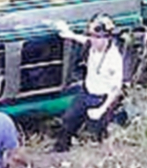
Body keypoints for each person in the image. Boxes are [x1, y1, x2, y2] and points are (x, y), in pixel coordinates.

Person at [51, 14, 124, 152]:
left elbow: (116, 89)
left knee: (96, 133)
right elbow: (83, 40)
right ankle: (61, 148)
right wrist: (69, 34)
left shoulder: (114, 59)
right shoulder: (91, 45)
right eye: (92, 36)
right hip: (86, 92)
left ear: (108, 37)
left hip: (101, 98)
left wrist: (102, 109)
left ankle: (96, 155)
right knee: (69, 119)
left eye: (98, 37)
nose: (94, 40)